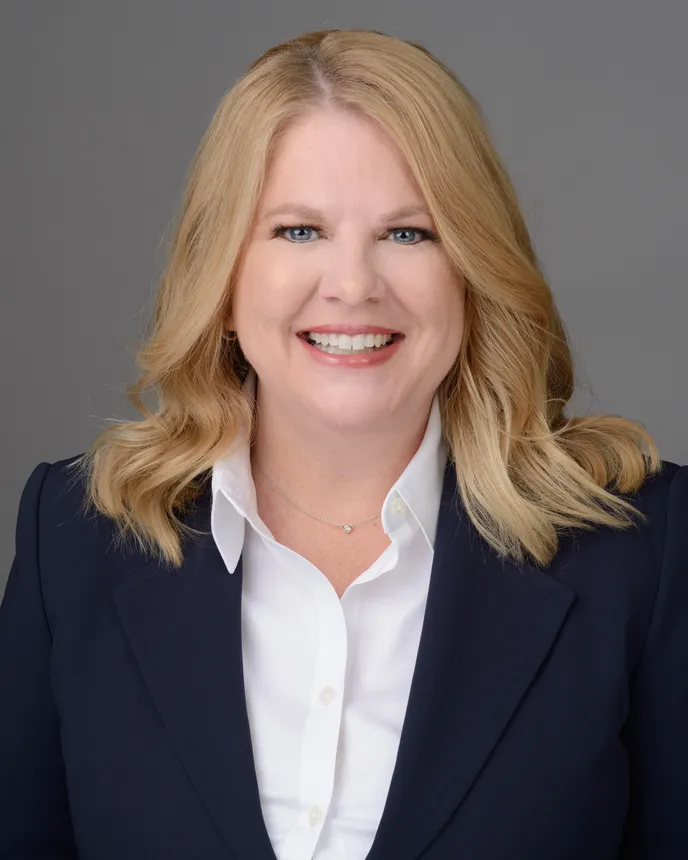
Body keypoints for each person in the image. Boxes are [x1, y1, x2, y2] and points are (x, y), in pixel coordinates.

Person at [0, 27, 686, 860]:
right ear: (222, 273)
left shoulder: (644, 554)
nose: (354, 285)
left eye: (409, 233)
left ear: (471, 271)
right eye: (298, 231)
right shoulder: (73, 540)